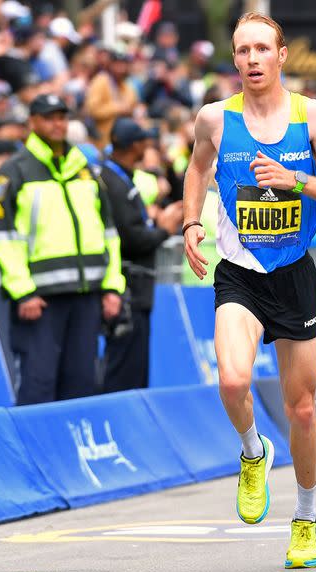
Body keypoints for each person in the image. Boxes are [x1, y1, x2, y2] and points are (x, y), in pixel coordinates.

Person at [182, 13, 316, 569]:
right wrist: (191, 223)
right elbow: (196, 169)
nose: (253, 58)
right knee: (233, 378)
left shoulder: (313, 117)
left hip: (293, 273)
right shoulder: (214, 118)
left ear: (282, 55)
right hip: (238, 269)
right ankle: (252, 452)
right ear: (234, 60)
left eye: (263, 48)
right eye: (243, 50)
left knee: (302, 409)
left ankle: (305, 519)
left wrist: (298, 180)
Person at [0, 93, 125, 405]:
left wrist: (112, 287)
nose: (57, 123)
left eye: (62, 116)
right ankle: (34, 453)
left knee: (82, 384)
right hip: (39, 300)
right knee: (38, 384)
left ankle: (72, 452)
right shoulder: (13, 172)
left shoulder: (86, 170)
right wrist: (22, 291)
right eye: (49, 117)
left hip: (87, 296)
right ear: (32, 122)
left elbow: (109, 233)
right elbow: (1, 237)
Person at [100, 117, 182, 392]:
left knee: (133, 367)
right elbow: (132, 238)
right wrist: (163, 230)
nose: (147, 146)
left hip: (136, 287)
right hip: (129, 288)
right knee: (125, 368)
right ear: (134, 146)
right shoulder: (112, 181)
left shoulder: (120, 178)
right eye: (144, 141)